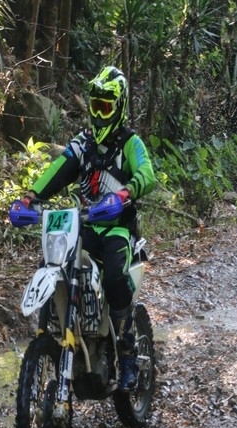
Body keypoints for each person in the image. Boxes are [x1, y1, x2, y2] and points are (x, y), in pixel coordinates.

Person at [21, 66, 155, 390]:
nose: (98, 112)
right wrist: (30, 197)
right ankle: (57, 331)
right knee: (51, 264)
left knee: (113, 276)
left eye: (105, 106)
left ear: (119, 107)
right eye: (94, 104)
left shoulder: (131, 143)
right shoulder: (83, 144)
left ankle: (126, 351)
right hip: (83, 228)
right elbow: (58, 169)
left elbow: (147, 174)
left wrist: (126, 192)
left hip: (118, 230)